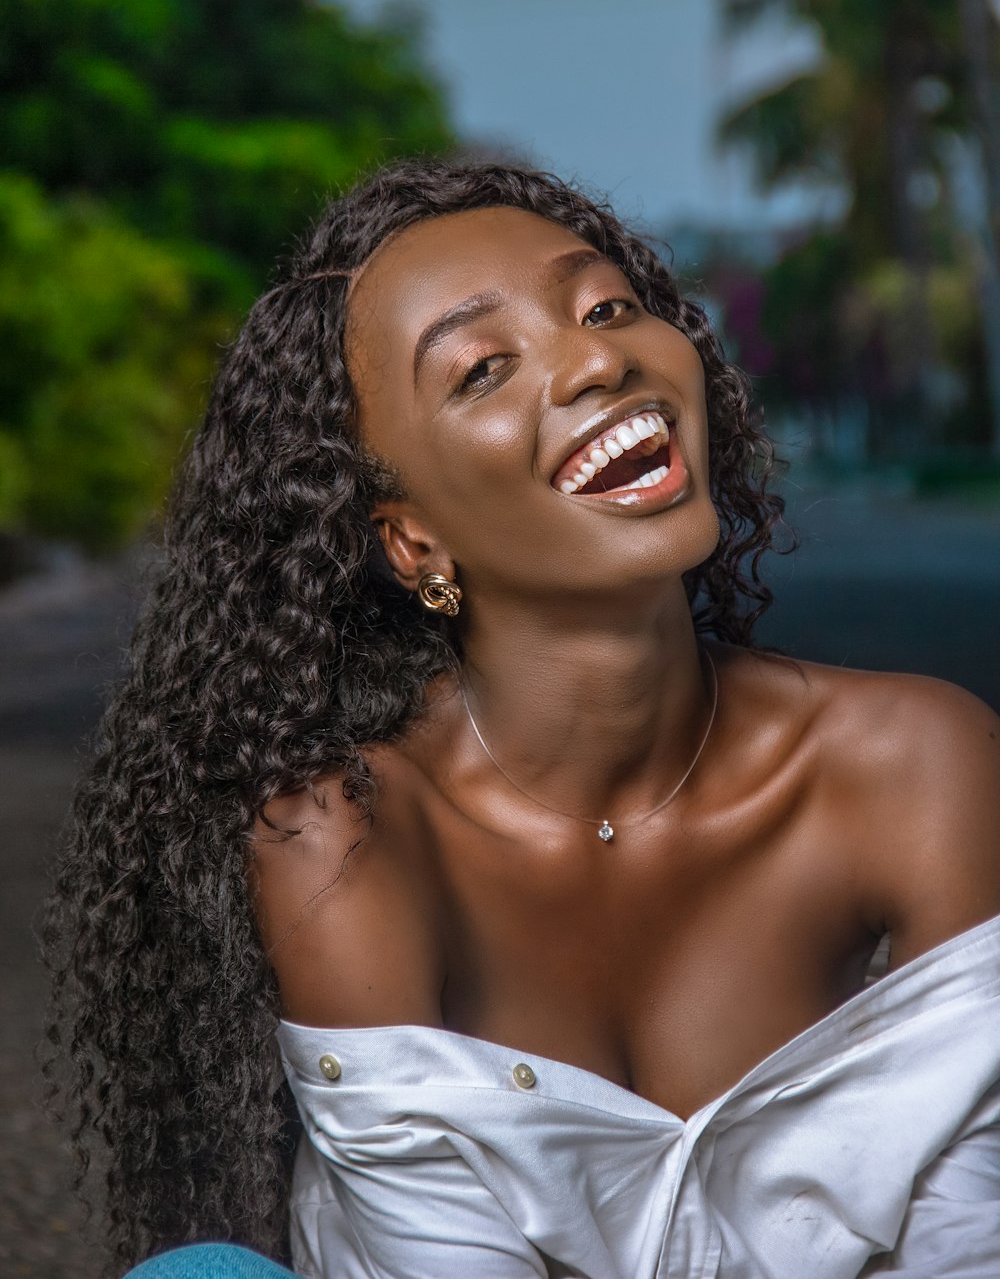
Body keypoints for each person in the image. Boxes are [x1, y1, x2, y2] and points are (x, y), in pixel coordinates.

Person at [47, 161, 1000, 1279]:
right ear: (410, 543)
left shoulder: (913, 765)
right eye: (483, 369)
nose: (600, 359)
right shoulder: (346, 836)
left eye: (606, 307)